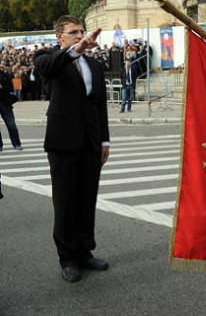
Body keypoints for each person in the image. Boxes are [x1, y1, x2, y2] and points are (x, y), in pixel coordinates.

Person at [34, 15, 111, 283]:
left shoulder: (94, 65)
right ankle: (67, 257)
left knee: (87, 198)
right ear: (60, 37)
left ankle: (84, 251)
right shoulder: (48, 58)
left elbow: (99, 104)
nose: (80, 36)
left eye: (81, 31)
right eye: (73, 32)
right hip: (62, 142)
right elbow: (48, 69)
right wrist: (74, 51)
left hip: (90, 142)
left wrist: (105, 140)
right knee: (65, 201)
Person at [0, 67, 23, 151]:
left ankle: (16, 143)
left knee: (11, 124)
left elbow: (10, 88)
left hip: (4, 102)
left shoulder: (4, 75)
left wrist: (2, 87)